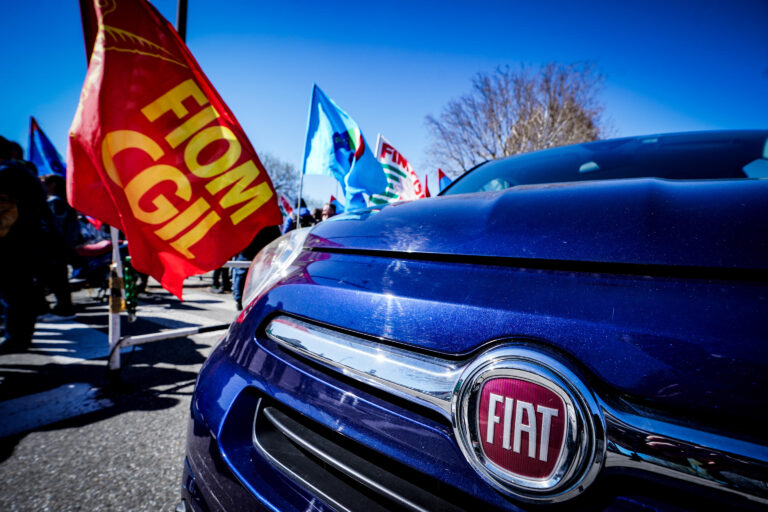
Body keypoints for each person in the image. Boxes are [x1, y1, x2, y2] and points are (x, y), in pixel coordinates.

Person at [232, 225, 282, 310]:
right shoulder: (268, 221)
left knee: (249, 275)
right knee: (244, 274)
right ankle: (241, 300)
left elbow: (276, 238)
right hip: (254, 252)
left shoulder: (268, 222)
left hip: (260, 252)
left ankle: (244, 300)